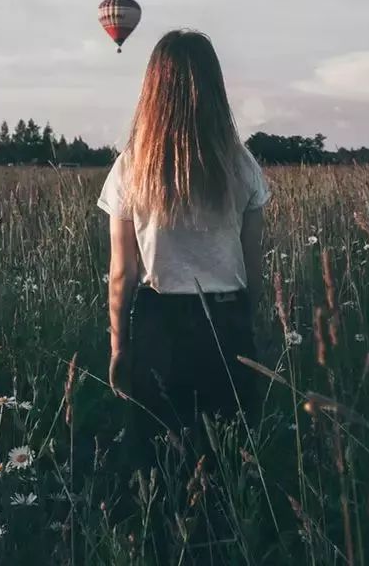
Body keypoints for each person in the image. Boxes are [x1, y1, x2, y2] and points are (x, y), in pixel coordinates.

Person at [97, 29, 270, 462]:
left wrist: (119, 347)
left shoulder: (132, 166)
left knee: (159, 460)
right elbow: (254, 267)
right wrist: (255, 327)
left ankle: (164, 531)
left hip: (159, 324)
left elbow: (122, 274)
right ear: (215, 86)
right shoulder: (241, 163)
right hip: (227, 321)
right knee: (229, 460)